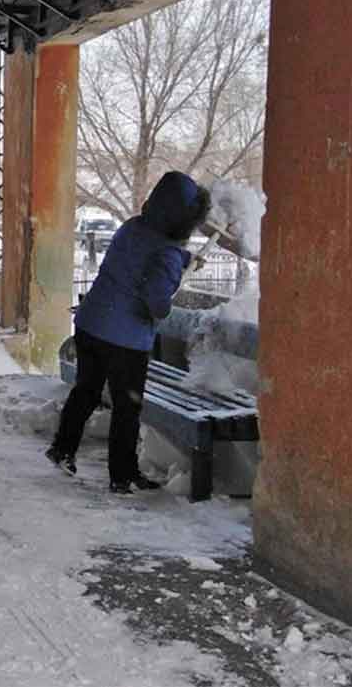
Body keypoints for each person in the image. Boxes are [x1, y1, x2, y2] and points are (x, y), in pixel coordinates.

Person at [46, 171, 211, 494]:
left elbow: (144, 254)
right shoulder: (167, 254)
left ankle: (63, 448)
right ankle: (122, 475)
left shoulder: (133, 227)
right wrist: (168, 295)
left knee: (86, 391)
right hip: (124, 342)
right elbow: (157, 302)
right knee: (127, 407)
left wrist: (185, 260)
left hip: (91, 325)